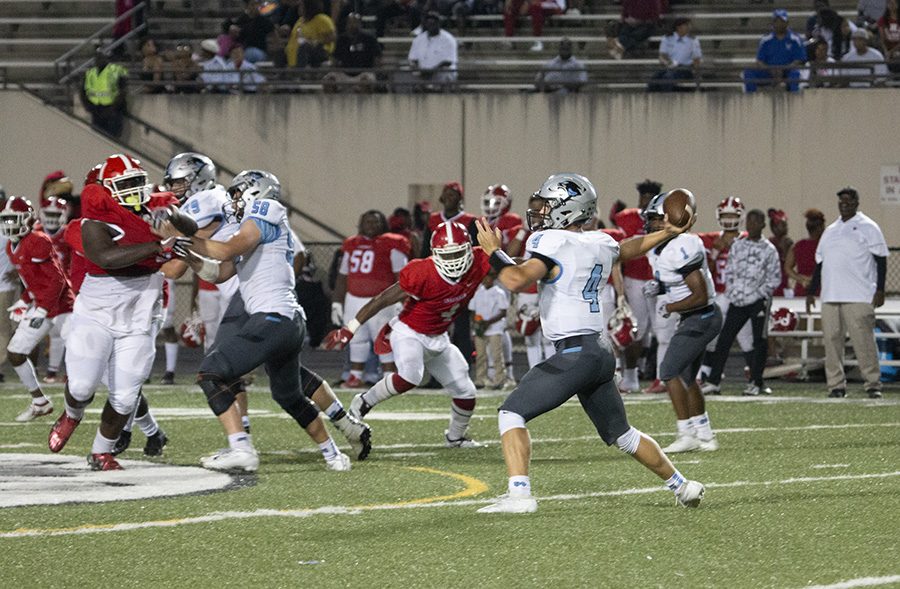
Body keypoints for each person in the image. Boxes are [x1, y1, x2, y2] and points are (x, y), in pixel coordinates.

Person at [474, 173, 705, 514]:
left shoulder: (550, 242)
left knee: (511, 414)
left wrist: (494, 253)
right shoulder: (598, 242)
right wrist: (666, 232)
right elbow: (627, 249)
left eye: (548, 205)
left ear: (567, 209)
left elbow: (514, 279)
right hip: (599, 352)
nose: (540, 211)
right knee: (622, 435)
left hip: (574, 353)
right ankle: (683, 485)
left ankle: (520, 496)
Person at [156, 170, 354, 471]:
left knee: (211, 372)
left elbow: (224, 249)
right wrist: (191, 255)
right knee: (288, 395)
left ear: (255, 192)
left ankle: (241, 447)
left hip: (274, 319)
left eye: (237, 194)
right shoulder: (251, 230)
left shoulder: (266, 211)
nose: (232, 201)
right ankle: (333, 455)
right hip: (285, 321)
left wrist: (184, 236)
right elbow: (219, 272)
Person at [47, 154, 182, 471]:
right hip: (97, 309)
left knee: (125, 395)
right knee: (81, 387)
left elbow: (183, 238)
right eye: (125, 185)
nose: (134, 190)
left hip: (140, 312)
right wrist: (156, 246)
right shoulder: (86, 225)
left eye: (137, 182)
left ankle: (101, 451)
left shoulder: (154, 215)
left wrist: (177, 221)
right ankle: (72, 414)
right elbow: (106, 256)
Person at [325, 221, 488, 448]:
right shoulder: (422, 272)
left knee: (466, 391)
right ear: (435, 254)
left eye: (458, 254)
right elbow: (382, 299)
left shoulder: (481, 260)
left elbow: (517, 271)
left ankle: (455, 438)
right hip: (409, 331)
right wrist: (350, 327)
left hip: (438, 337)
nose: (454, 261)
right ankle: (362, 402)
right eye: (446, 255)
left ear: (470, 249)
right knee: (411, 375)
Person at [641, 190, 722, 454]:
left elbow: (699, 295)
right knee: (687, 377)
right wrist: (660, 287)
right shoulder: (664, 247)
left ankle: (685, 432)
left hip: (702, 316)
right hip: (697, 316)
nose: (650, 223)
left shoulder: (681, 246)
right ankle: (705, 435)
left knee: (668, 371)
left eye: (655, 218)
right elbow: (679, 282)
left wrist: (670, 306)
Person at [807, 187, 888, 399]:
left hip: (859, 295)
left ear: (857, 203)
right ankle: (836, 385)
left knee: (863, 341)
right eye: (841, 202)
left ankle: (872, 384)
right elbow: (820, 263)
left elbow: (881, 259)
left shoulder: (868, 227)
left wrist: (880, 289)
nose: (844, 205)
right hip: (831, 295)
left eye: (849, 201)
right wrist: (811, 291)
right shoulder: (831, 230)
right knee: (832, 342)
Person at [0, 196, 74, 422]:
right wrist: (24, 300)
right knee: (15, 352)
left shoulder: (39, 240)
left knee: (83, 356)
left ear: (28, 219)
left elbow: (57, 281)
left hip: (62, 307)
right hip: (41, 304)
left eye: (14, 219)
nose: (9, 224)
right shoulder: (12, 246)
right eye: (7, 219)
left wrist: (41, 309)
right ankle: (40, 402)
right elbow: (33, 280)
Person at [699, 209, 782, 397]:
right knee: (725, 339)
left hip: (757, 301)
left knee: (759, 341)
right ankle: (714, 381)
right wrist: (732, 291)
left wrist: (759, 294)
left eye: (755, 222)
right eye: (749, 222)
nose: (751, 226)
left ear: (762, 224)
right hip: (737, 300)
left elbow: (774, 277)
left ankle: (756, 381)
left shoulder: (768, 249)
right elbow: (729, 270)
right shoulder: (738, 246)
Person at [331, 210, 410, 388]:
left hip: (382, 300)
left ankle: (390, 375)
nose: (371, 225)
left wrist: (401, 300)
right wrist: (337, 301)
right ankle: (355, 375)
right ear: (361, 223)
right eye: (367, 222)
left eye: (375, 222)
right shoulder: (352, 244)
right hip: (354, 298)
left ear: (383, 224)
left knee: (384, 338)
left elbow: (403, 276)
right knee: (357, 338)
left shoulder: (392, 243)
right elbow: (343, 276)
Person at [697, 197, 754, 389]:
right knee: (711, 335)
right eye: (725, 215)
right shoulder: (713, 239)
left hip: (741, 295)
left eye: (732, 215)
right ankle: (708, 374)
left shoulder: (747, 238)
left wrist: (733, 247)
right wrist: (715, 250)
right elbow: (706, 269)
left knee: (746, 336)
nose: (729, 219)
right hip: (719, 293)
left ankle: (754, 376)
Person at [614, 179, 662, 394]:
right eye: (643, 197)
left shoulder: (663, 218)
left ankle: (662, 376)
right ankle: (631, 375)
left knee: (662, 330)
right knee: (637, 329)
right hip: (634, 279)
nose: (646, 201)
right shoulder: (627, 218)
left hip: (658, 279)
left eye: (650, 197)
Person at [743, 9, 807, 92]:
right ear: (772, 23)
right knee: (749, 73)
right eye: (776, 21)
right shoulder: (765, 40)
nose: (779, 24)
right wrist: (770, 70)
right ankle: (750, 100)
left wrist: (784, 69)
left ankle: (794, 99)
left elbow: (799, 59)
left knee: (795, 74)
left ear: (787, 23)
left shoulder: (795, 39)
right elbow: (759, 61)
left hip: (788, 71)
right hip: (769, 71)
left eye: (782, 21)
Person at [470, 271, 511, 389]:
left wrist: (488, 322)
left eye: (488, 278)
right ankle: (480, 379)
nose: (486, 281)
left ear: (493, 279)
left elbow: (503, 311)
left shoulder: (499, 293)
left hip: (495, 328)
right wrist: (476, 323)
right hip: (480, 329)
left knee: (496, 355)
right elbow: (472, 310)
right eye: (484, 278)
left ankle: (499, 380)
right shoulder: (478, 292)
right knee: (480, 355)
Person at [323, 13, 382, 93]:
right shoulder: (341, 39)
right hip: (344, 74)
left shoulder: (369, 39)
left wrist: (375, 72)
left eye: (355, 22)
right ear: (346, 25)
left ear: (360, 24)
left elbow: (377, 58)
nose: (352, 25)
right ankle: (332, 105)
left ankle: (364, 105)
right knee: (328, 80)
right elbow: (335, 59)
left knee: (366, 81)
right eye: (350, 22)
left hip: (364, 74)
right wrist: (333, 69)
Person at [80, 48, 128, 138]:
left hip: (113, 112)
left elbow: (123, 91)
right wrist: (89, 107)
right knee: (98, 141)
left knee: (113, 141)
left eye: (101, 56)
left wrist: (113, 108)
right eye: (97, 57)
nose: (98, 59)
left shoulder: (116, 71)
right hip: (96, 111)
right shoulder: (90, 72)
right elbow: (83, 91)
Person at [649, 17, 702, 92]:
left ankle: (667, 99)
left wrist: (696, 74)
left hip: (685, 68)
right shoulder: (667, 38)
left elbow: (696, 59)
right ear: (679, 27)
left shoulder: (693, 40)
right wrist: (667, 63)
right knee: (655, 78)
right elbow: (662, 55)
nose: (689, 27)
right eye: (686, 25)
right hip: (669, 66)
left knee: (668, 78)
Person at [408, 12, 458, 89]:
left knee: (445, 74)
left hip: (440, 72)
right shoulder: (419, 39)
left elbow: (448, 62)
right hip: (422, 73)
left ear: (439, 23)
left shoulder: (448, 39)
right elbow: (413, 59)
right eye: (428, 23)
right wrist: (418, 70)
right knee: (404, 73)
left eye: (433, 23)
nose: (431, 25)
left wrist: (431, 72)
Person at [784, 208, 826, 297]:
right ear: (820, 228)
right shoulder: (826, 246)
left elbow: (787, 268)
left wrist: (800, 279)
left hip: (803, 287)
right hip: (822, 288)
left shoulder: (798, 246)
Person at [286, 0, 337, 68]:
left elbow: (332, 37)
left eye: (301, 6)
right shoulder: (300, 20)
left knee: (304, 46)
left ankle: (300, 73)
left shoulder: (321, 19)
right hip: (295, 54)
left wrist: (315, 42)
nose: (298, 8)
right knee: (278, 49)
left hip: (318, 51)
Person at [767, 209, 792, 297]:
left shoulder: (787, 242)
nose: (786, 228)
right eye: (783, 225)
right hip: (771, 282)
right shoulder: (768, 243)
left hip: (784, 283)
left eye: (786, 225)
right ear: (774, 228)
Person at [878, 0, 900, 71]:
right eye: (889, 3)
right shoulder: (882, 20)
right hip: (888, 48)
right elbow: (882, 39)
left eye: (894, 3)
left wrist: (892, 52)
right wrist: (886, 51)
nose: (891, 5)